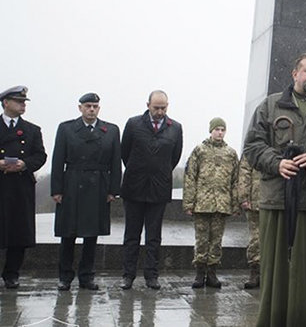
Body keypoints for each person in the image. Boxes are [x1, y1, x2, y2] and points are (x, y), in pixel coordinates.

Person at [244, 52, 306, 326]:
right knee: (277, 273)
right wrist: (277, 164)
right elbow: (252, 147)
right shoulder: (270, 106)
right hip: (277, 201)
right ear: (295, 74)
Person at [51, 93, 121, 291]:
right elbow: (58, 160)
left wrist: (113, 190)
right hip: (72, 184)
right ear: (80, 108)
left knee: (91, 235)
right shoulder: (66, 129)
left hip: (98, 186)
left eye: (95, 106)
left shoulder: (111, 130)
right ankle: (65, 276)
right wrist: (57, 190)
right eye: (88, 106)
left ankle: (86, 276)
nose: (92, 109)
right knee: (68, 233)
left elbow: (116, 162)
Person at [120, 90, 183, 290]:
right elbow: (125, 153)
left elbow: (175, 157)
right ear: (148, 104)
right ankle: (128, 275)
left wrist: (158, 172)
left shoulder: (176, 128)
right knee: (132, 234)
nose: (159, 112)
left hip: (159, 189)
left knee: (154, 236)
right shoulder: (133, 124)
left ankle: (151, 275)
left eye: (163, 108)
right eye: (156, 107)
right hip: (134, 187)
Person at [183, 117, 240, 289]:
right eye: (217, 129)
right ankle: (200, 273)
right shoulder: (200, 151)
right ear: (211, 130)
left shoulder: (231, 153)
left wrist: (235, 203)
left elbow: (235, 181)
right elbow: (190, 177)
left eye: (223, 129)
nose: (220, 132)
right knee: (201, 240)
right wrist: (188, 202)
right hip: (202, 203)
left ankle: (212, 273)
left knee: (216, 241)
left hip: (221, 204)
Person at [0, 86, 47, 289]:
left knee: (18, 231)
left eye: (24, 102)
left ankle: (12, 273)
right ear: (5, 103)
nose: (22, 105)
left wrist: (24, 164)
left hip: (20, 186)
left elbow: (40, 155)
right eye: (18, 101)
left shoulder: (32, 130)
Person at [238, 155, 261, 289]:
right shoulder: (252, 150)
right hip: (255, 200)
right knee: (256, 238)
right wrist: (244, 197)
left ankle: (268, 273)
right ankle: (255, 271)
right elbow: (244, 174)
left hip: (276, 200)